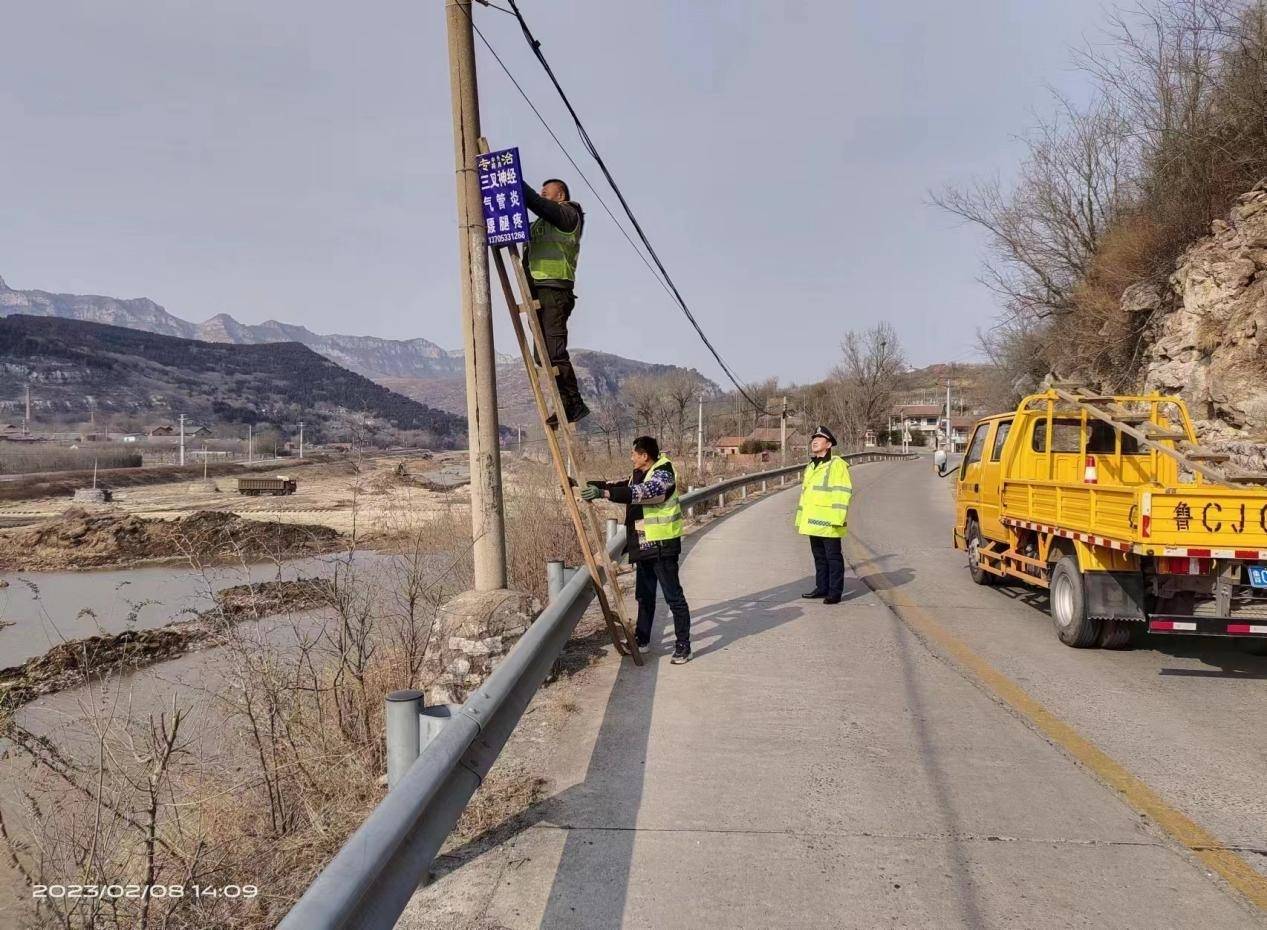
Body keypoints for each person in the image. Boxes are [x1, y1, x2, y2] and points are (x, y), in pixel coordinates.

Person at [581, 436, 692, 664]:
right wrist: (590, 485)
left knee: (674, 597)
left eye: (634, 453)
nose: (631, 456)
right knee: (644, 595)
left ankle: (683, 646)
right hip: (644, 545)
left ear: (644, 456)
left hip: (662, 546)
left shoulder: (663, 473)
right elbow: (622, 486)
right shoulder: (640, 473)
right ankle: (642, 639)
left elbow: (645, 493)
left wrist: (603, 494)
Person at [522, 178, 588, 426]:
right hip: (537, 290)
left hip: (555, 288)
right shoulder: (540, 224)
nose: (541, 196)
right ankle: (564, 404)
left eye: (546, 193)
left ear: (560, 195)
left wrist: (515, 182)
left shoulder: (569, 214)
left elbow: (538, 204)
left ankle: (574, 403)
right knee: (543, 356)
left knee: (555, 352)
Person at [796, 426, 853, 604]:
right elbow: (806, 495)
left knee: (833, 558)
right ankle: (822, 588)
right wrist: (801, 519)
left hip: (830, 522)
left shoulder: (837, 465)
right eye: (813, 438)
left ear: (828, 444)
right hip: (813, 521)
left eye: (819, 438)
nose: (814, 440)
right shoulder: (811, 466)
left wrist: (838, 519)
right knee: (819, 557)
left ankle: (834, 592)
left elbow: (843, 492)